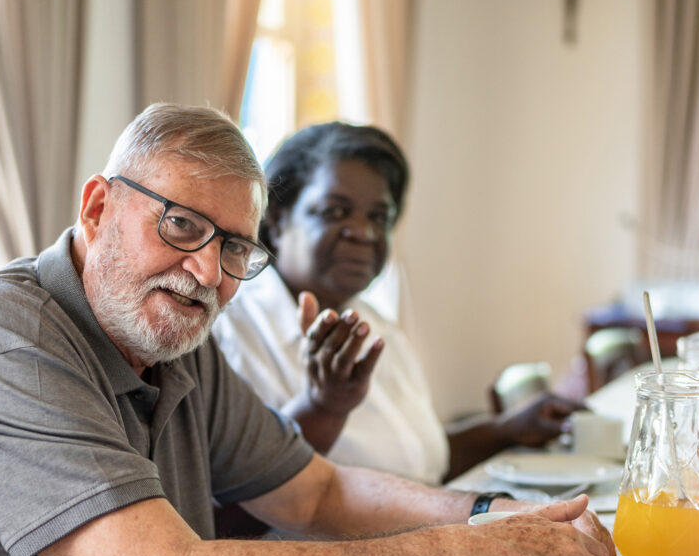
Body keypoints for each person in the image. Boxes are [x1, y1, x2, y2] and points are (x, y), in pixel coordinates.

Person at [0, 104, 615, 556]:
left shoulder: (173, 338)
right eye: (180, 224)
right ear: (97, 206)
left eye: (236, 249)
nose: (207, 271)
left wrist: (496, 513)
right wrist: (468, 555)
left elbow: (319, 493)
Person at [213, 122, 578, 489]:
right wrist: (323, 407)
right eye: (335, 212)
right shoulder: (233, 333)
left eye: (379, 217)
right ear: (276, 220)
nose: (363, 232)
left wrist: (506, 430)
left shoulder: (375, 324)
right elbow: (235, 500)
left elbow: (417, 465)